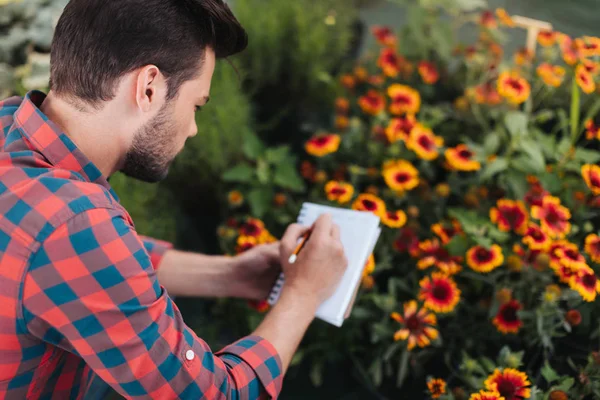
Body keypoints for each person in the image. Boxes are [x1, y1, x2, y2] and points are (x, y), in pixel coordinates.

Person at [0, 0, 348, 398]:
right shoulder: (75, 226)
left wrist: (231, 275)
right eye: (196, 104)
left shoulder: (11, 129)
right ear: (149, 88)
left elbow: (84, 264)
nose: (194, 129)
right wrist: (304, 294)